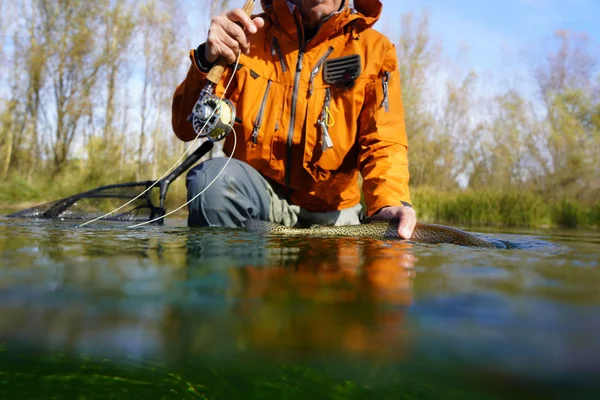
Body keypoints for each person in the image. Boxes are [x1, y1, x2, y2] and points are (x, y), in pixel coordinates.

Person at [172, 0, 416, 239]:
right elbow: (186, 127)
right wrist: (206, 59)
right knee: (211, 182)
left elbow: (383, 143)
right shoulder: (245, 36)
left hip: (335, 213)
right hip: (258, 200)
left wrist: (389, 202)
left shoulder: (376, 50)